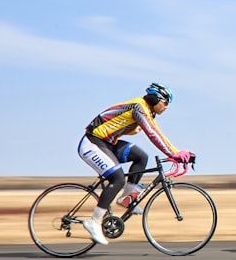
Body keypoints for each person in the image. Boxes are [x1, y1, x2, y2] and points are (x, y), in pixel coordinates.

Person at [76, 83, 195, 245]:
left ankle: (126, 198)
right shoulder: (139, 108)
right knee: (118, 179)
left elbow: (154, 131)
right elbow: (153, 134)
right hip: (92, 142)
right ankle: (94, 221)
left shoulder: (147, 111)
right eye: (165, 102)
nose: (166, 107)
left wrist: (176, 152)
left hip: (108, 143)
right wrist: (174, 154)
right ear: (156, 99)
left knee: (141, 157)